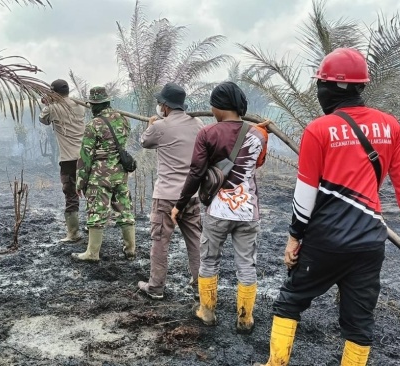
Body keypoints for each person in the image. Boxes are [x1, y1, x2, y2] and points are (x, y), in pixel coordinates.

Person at [254, 48, 400, 366]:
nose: (319, 89)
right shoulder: (390, 126)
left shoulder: (318, 130)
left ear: (331, 88)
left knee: (290, 301)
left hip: (325, 241)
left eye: (321, 83)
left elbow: (305, 193)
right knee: (359, 324)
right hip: (369, 243)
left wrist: (294, 237)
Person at [171, 81, 269, 333]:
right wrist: (259, 132)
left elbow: (195, 172)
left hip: (218, 211)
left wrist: (179, 205)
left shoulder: (208, 133)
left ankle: (207, 312)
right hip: (248, 211)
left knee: (209, 260)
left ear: (218, 107)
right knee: (247, 264)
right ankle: (245, 319)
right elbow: (257, 162)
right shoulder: (259, 134)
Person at [137, 82, 204, 300]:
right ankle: (201, 286)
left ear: (164, 106)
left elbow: (145, 142)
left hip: (166, 196)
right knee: (195, 242)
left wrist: (151, 124)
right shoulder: (199, 124)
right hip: (191, 195)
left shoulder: (159, 127)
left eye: (159, 103)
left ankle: (155, 288)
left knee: (160, 241)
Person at [72, 86, 136, 261]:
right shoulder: (123, 120)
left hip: (100, 176)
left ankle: (92, 253)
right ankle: (130, 248)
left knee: (96, 212)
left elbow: (86, 156)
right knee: (124, 209)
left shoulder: (93, 125)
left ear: (95, 105)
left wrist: (80, 182)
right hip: (120, 173)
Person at [39, 79, 86, 243]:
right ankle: (96, 225)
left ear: (53, 93)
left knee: (71, 194)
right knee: (93, 191)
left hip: (68, 159)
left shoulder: (53, 108)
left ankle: (73, 233)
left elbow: (43, 119)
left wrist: (48, 103)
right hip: (86, 156)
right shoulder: (80, 105)